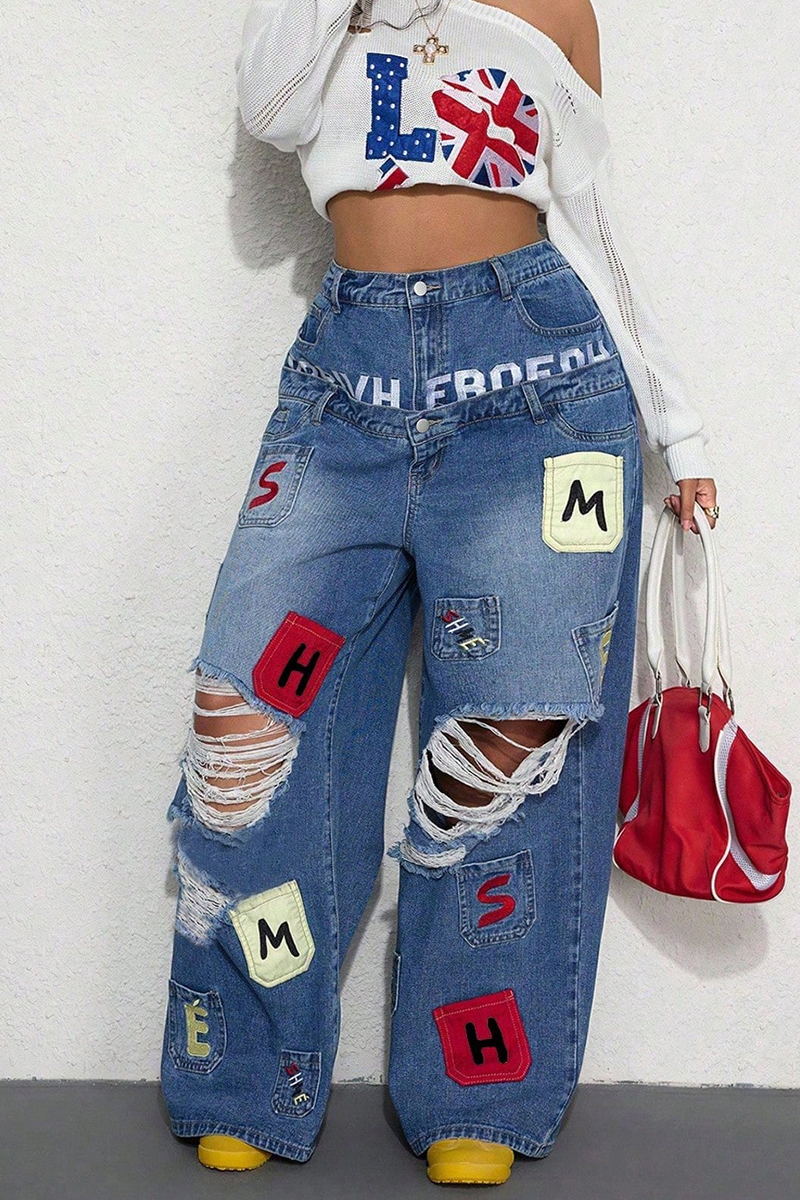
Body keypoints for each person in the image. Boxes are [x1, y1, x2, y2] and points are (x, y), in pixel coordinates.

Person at [159, 0, 719, 1186]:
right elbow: (269, 108)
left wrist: (679, 426)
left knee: (508, 745)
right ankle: (251, 1077)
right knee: (245, 721)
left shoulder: (553, 9)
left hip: (543, 381)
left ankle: (479, 1091)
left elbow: (590, 214)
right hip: (344, 380)